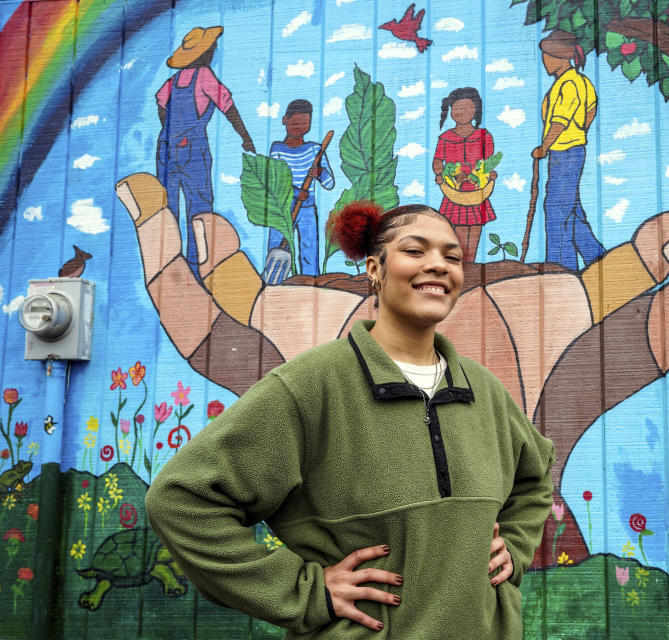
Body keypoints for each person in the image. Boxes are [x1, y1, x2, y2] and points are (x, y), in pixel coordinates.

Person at [144, 200, 556, 638]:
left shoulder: (483, 389)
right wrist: (305, 592)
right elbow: (180, 500)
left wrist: (515, 545)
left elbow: (535, 478)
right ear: (374, 269)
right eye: (415, 251)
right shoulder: (310, 385)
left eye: (451, 257)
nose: (438, 265)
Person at [156, 26, 255, 278]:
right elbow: (228, 106)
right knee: (198, 209)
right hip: (193, 150)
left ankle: (170, 266)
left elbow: (161, 106)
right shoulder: (204, 76)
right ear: (206, 53)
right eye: (212, 49)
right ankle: (195, 268)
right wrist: (245, 137)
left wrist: (171, 134)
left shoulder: (173, 81)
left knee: (169, 209)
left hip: (166, 149)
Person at [533, 30, 605, 271]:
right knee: (570, 211)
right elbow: (591, 110)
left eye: (546, 56)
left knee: (555, 210)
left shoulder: (569, 83)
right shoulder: (580, 82)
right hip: (569, 152)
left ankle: (561, 269)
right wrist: (581, 129)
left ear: (559, 56)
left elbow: (559, 122)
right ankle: (597, 258)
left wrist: (544, 147)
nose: (544, 60)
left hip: (564, 153)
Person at [265, 99, 335, 280]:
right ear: (284, 120)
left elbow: (329, 184)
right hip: (282, 207)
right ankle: (274, 283)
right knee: (276, 244)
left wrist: (320, 172)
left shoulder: (314, 150)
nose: (299, 127)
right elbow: (275, 180)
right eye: (295, 123)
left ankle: (311, 282)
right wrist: (296, 193)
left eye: (304, 123)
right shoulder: (277, 150)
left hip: (306, 208)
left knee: (309, 247)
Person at [432, 87, 497, 262]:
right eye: (457, 109)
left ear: (476, 110)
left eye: (467, 109)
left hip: (477, 190)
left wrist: (490, 174)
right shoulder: (446, 138)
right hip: (455, 191)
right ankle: (462, 267)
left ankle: (471, 267)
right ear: (450, 111)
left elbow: (487, 163)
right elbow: (437, 161)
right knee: (459, 232)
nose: (462, 113)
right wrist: (440, 175)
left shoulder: (484, 136)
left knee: (475, 229)